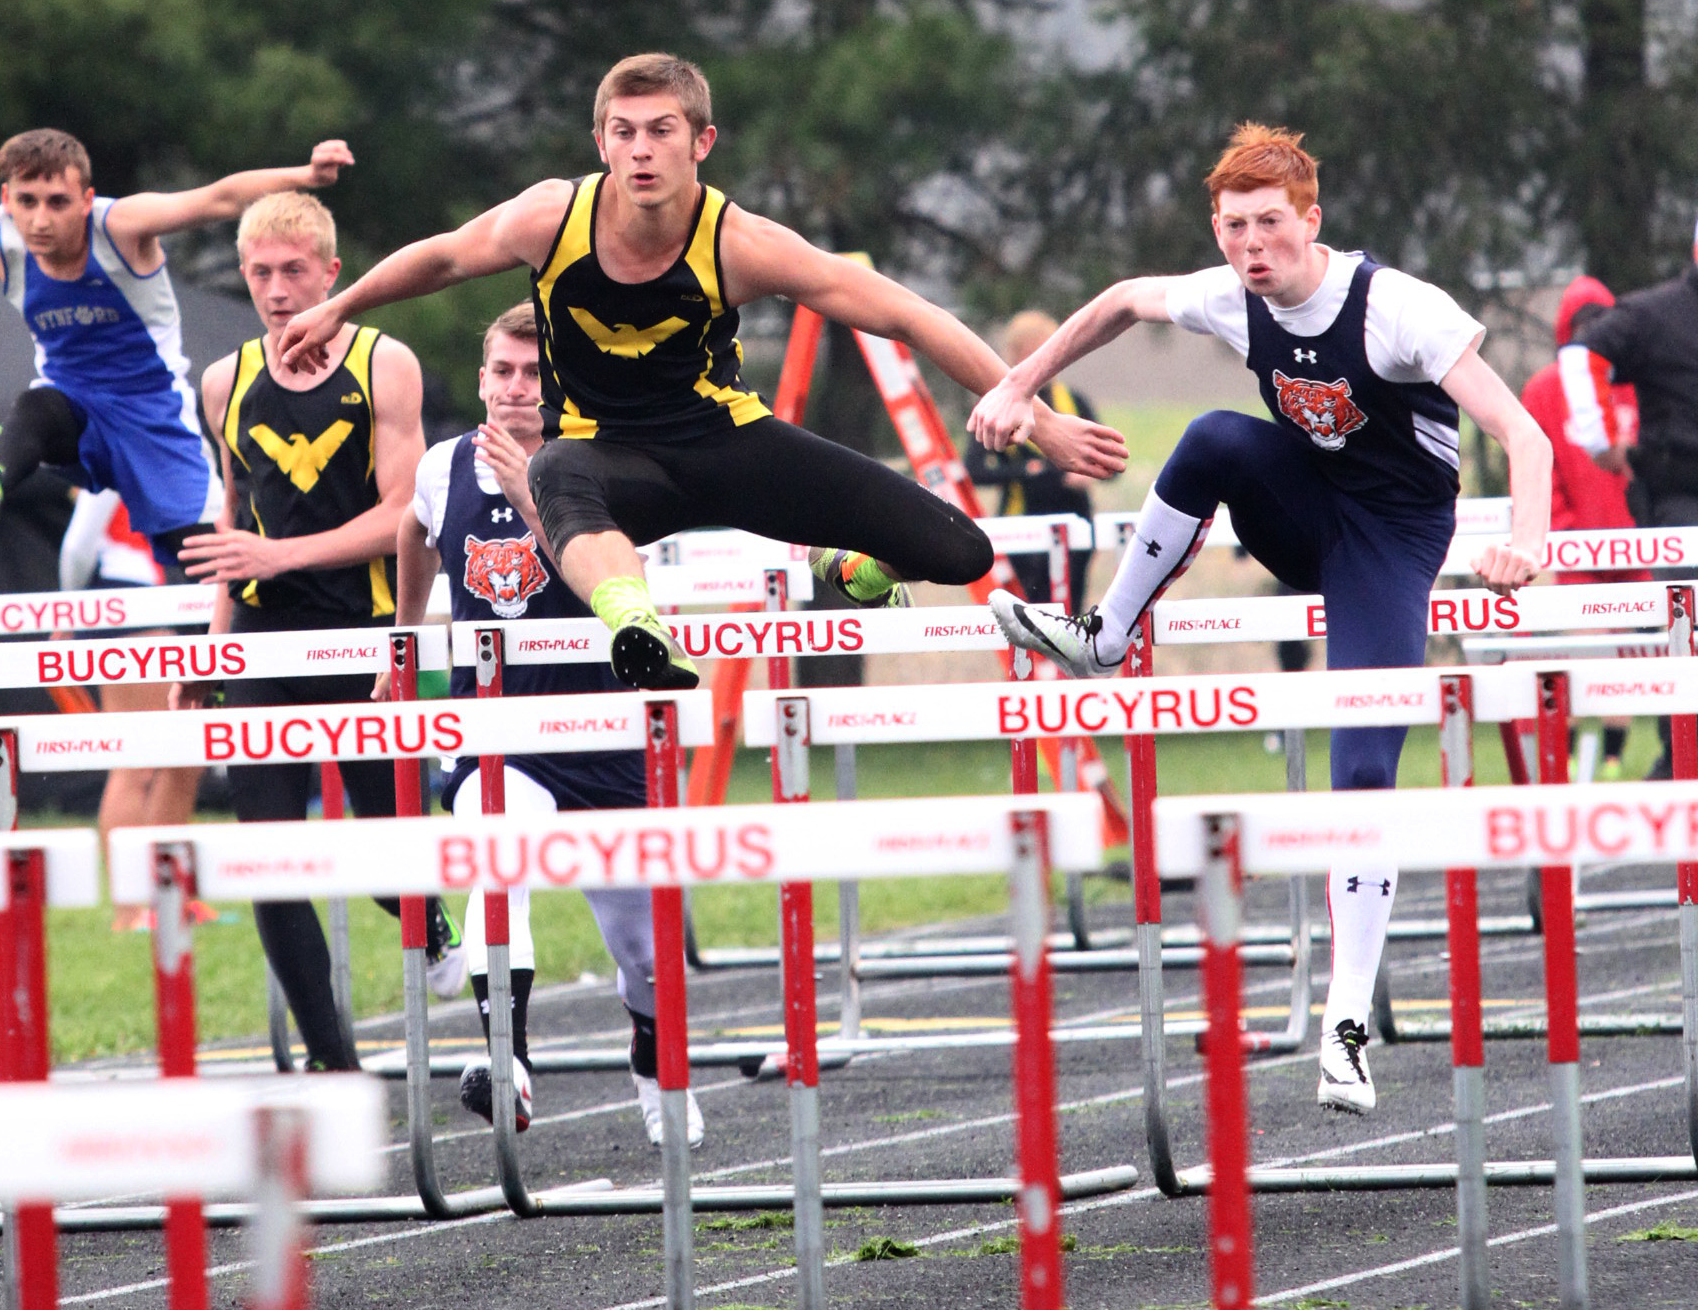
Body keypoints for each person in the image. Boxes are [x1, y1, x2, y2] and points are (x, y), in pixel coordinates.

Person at [971, 124, 1550, 1117]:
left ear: (1312, 221)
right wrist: (1017, 384)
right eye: (1235, 227)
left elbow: (1523, 433)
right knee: (1213, 439)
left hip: (1389, 542)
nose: (1253, 245)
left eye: (1272, 224)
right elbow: (1121, 300)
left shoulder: (1398, 309)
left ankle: (1347, 1029)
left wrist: (1526, 540)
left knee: (1362, 773)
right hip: (1302, 513)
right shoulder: (1229, 293)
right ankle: (1106, 637)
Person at [276, 54, 1126, 692]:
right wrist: (338, 307)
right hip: (610, 460)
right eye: (623, 133)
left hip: (729, 446)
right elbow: (441, 258)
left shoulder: (741, 243)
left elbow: (907, 313)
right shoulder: (552, 218)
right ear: (601, 142)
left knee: (960, 550)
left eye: (661, 132)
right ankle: (637, 626)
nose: (641, 152)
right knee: (555, 467)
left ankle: (850, 573)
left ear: (701, 142)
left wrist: (1036, 411)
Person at [390, 303, 699, 1147]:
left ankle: (652, 1057)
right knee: (498, 860)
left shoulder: (605, 465)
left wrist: (532, 496)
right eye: (503, 372)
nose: (516, 388)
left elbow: (607, 578)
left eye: (534, 374)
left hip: (604, 731)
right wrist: (403, 640)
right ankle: (508, 1060)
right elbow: (413, 531)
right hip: (498, 729)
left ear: (560, 384)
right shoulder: (444, 465)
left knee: (645, 954)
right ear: (482, 379)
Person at [0, 128, 351, 566]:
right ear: (6, 200)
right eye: (26, 202)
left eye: (57, 202)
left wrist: (306, 174)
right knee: (37, 407)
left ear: (87, 199)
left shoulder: (121, 228)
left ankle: (229, 661)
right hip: (73, 412)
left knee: (209, 555)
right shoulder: (3, 250)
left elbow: (218, 199)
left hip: (152, 415)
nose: (40, 221)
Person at [180, 191, 459, 1073]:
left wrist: (282, 556)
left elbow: (404, 516)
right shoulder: (223, 381)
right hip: (262, 642)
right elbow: (234, 522)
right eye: (259, 273)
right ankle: (333, 1064)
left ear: (331, 273)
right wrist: (213, 643)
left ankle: (429, 918)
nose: (275, 290)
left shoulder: (385, 365)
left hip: (364, 632)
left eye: (293, 271)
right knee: (269, 859)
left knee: (384, 856)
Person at [1556, 228, 1698, 780]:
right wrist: (1600, 441)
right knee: (1686, 637)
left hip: (1672, 500)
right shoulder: (1656, 314)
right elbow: (1581, 353)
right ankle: (1679, 761)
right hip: (1681, 503)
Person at [59, 486, 207, 931]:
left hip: (152, 599)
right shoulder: (114, 453)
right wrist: (67, 613)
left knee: (184, 758)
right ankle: (130, 910)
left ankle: (168, 896)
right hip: (124, 603)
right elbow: (78, 544)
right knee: (135, 763)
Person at [1521, 277, 1642, 778]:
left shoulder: (1635, 380)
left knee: (1627, 657)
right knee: (1581, 651)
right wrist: (1566, 534)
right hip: (1581, 551)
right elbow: (1540, 472)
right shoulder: (1544, 390)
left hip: (1638, 548)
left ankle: (1613, 758)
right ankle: (1566, 756)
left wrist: (1644, 527)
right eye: (1583, 325)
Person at [965, 309, 1099, 607]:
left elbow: (1111, 461)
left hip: (1076, 527)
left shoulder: (1074, 400)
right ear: (1017, 353)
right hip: (1021, 530)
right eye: (1037, 350)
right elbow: (974, 470)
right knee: (1028, 614)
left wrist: (1090, 471)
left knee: (1071, 615)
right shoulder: (997, 403)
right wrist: (1031, 470)